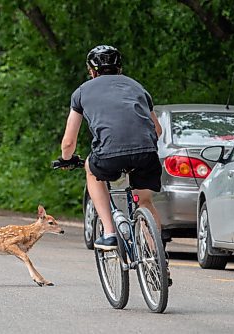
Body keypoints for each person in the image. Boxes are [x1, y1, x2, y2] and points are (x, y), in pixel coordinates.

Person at [60, 45, 163, 250]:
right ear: (120, 68)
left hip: (109, 155)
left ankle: (109, 232)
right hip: (146, 153)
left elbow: (69, 142)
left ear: (91, 71)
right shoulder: (138, 87)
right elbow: (157, 130)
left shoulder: (81, 92)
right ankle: (158, 257)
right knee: (144, 201)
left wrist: (66, 158)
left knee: (91, 168)